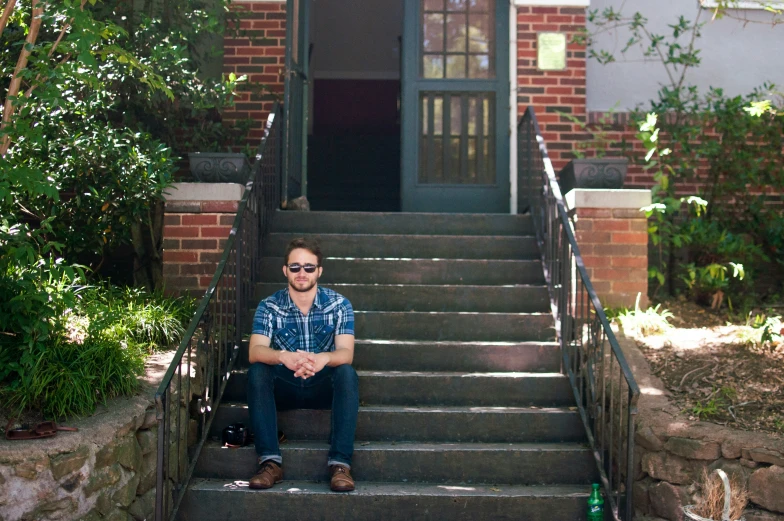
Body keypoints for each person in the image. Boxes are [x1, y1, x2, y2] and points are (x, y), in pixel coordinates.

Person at [246, 237, 358, 492]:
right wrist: (282, 356)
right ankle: (270, 463)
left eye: (309, 267)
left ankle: (340, 465)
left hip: (322, 387)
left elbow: (346, 353)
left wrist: (323, 359)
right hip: (284, 386)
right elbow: (255, 351)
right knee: (258, 371)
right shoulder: (269, 306)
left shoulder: (340, 305)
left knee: (346, 373)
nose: (302, 273)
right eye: (295, 267)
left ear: (319, 270)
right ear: (285, 270)